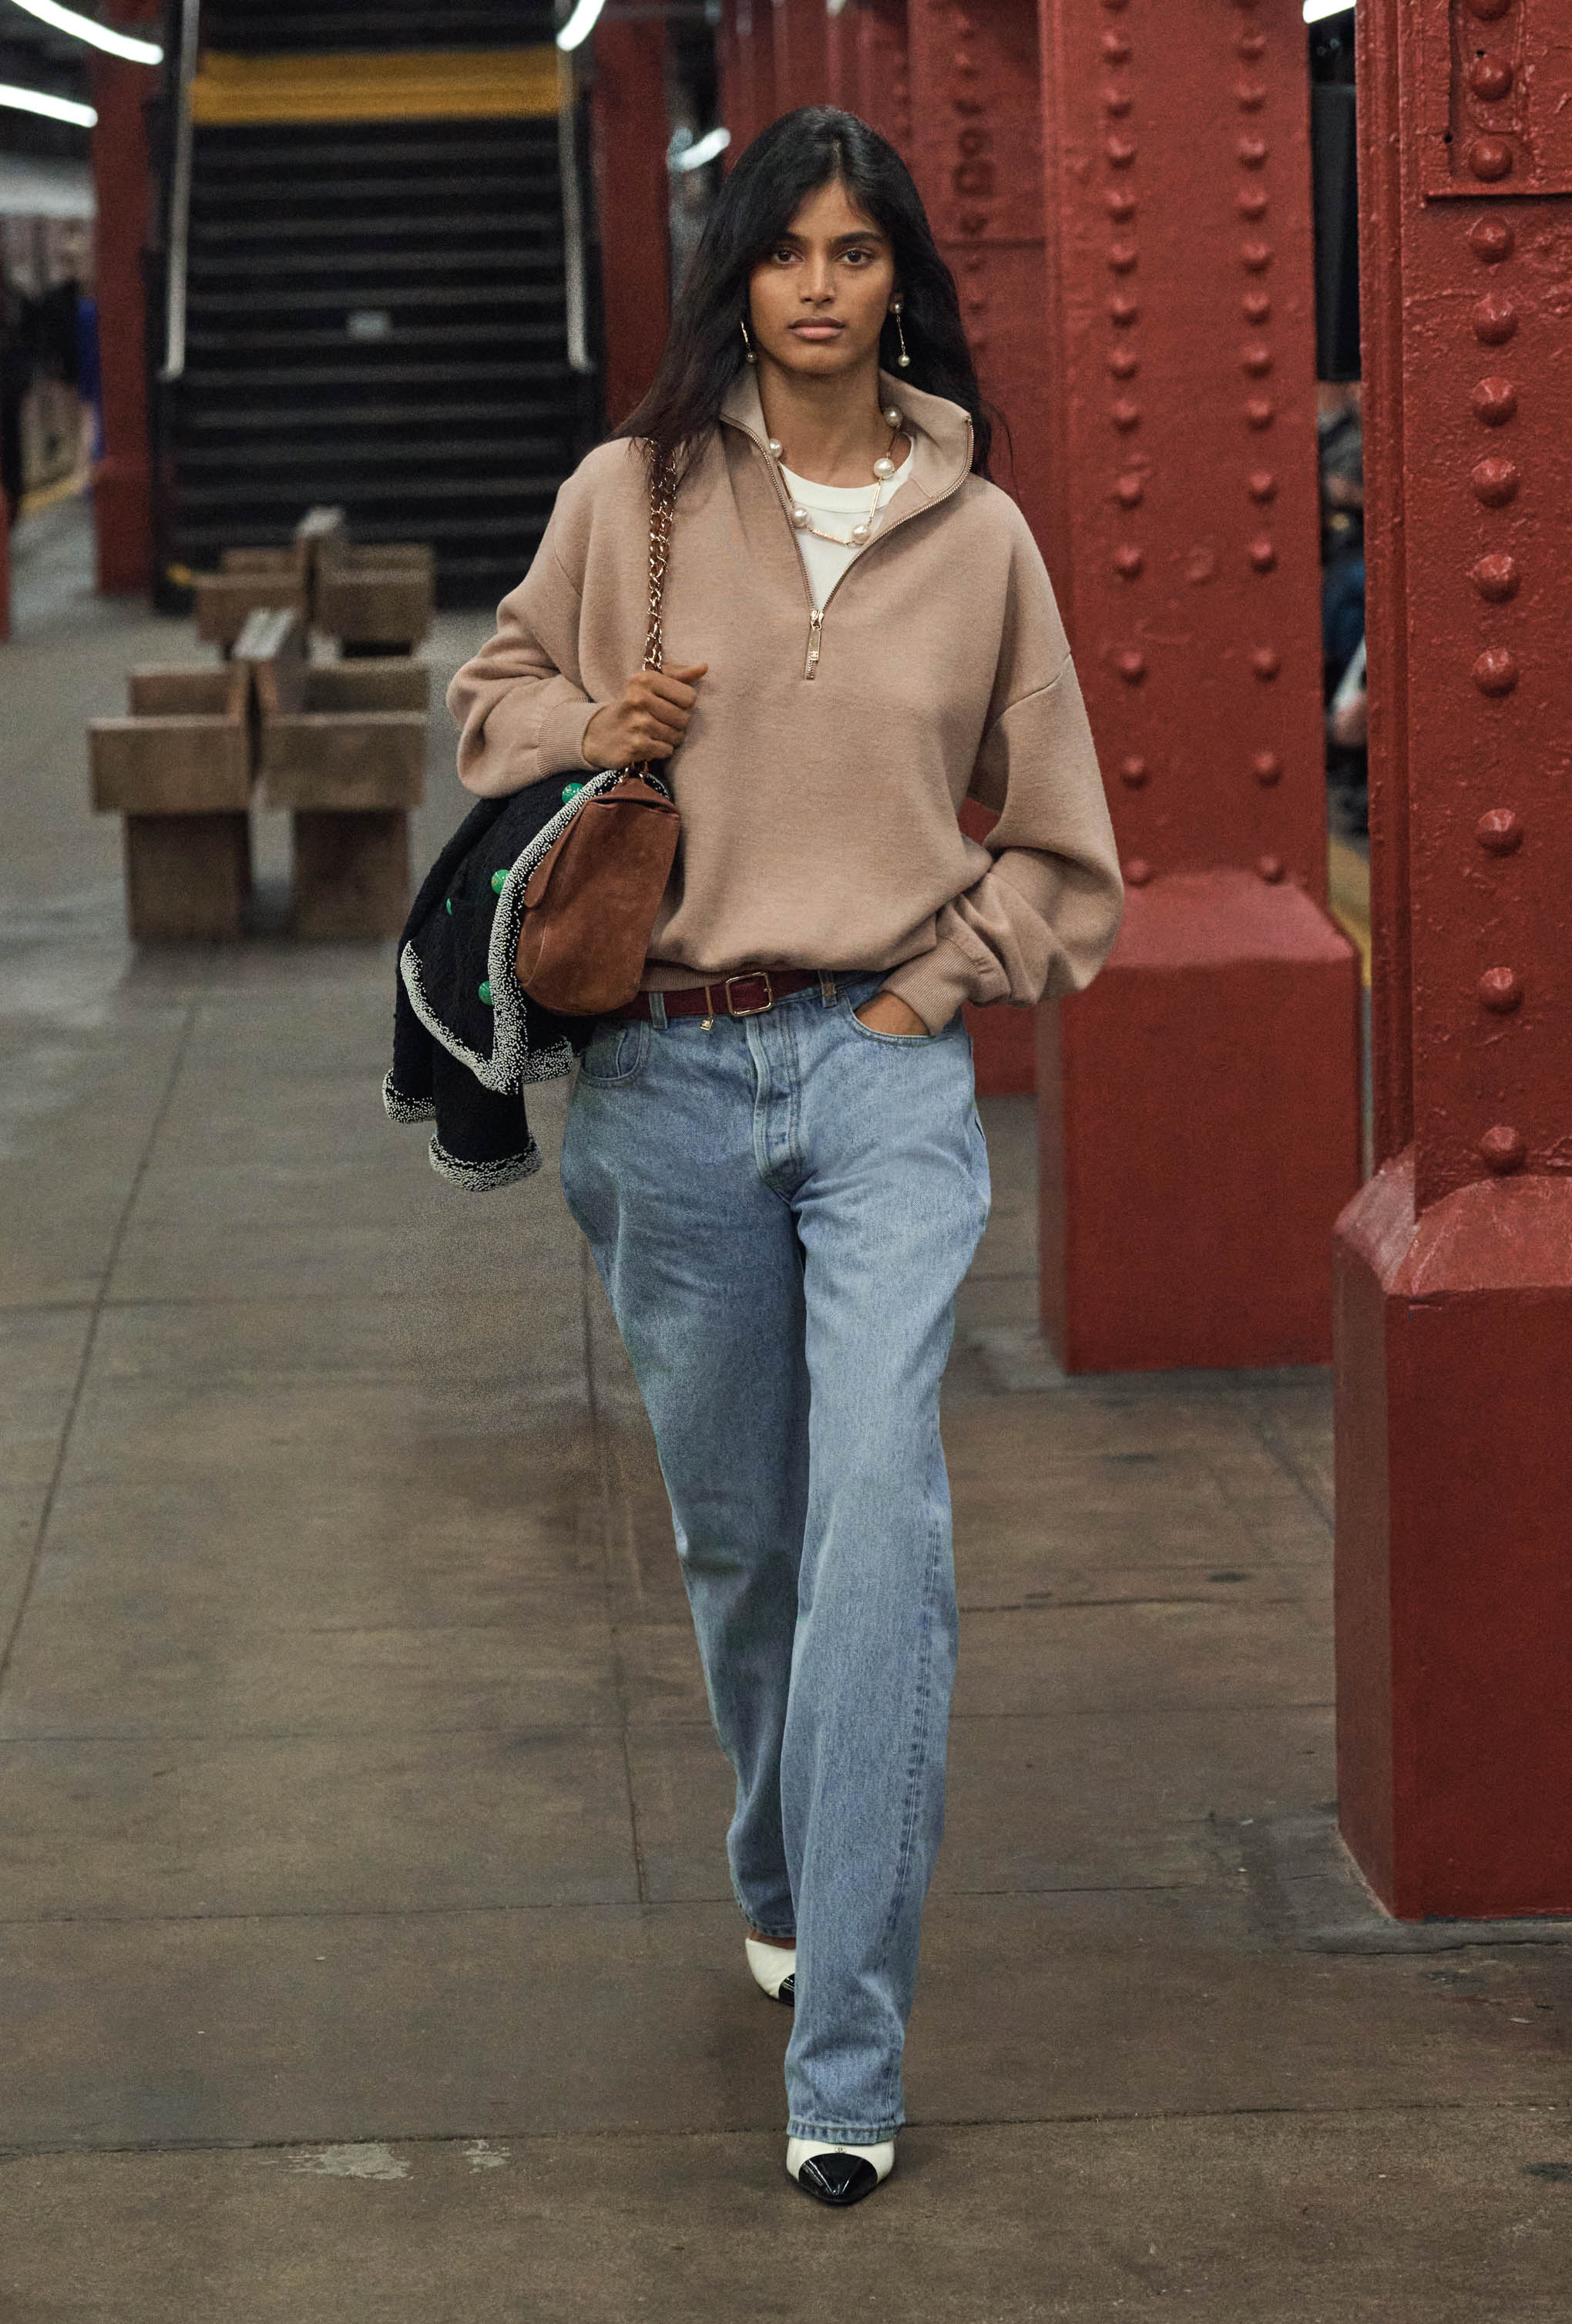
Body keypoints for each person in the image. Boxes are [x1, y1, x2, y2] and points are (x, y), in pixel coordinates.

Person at [447, 106, 1123, 2207]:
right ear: (737, 272)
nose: (821, 283)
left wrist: (941, 990)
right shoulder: (628, 496)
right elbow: (487, 709)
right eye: (786, 248)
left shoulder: (981, 533)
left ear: (900, 278)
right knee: (746, 1544)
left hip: (880, 1083)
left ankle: (849, 2049)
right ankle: (776, 1841)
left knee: (879, 1542)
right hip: (659, 1077)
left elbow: (1067, 846)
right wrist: (599, 728)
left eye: (857, 252)